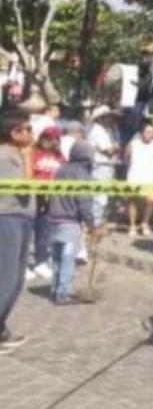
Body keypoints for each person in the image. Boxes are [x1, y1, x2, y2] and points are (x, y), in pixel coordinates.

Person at [47, 140, 101, 304]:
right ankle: (63, 293)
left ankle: (55, 289)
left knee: (56, 258)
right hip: (70, 222)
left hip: (52, 219)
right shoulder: (83, 175)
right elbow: (84, 202)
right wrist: (91, 224)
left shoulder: (60, 170)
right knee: (67, 258)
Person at [0, 110, 35, 355]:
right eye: (27, 129)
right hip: (8, 219)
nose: (31, 134)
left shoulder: (14, 154)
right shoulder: (6, 157)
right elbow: (24, 188)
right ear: (14, 133)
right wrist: (28, 158)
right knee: (6, 280)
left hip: (21, 219)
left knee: (17, 280)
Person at [28, 126, 64, 280]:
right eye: (48, 138)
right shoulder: (32, 153)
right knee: (26, 232)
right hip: (31, 197)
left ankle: (40, 262)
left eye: (54, 138)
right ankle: (21, 264)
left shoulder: (59, 156)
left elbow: (64, 171)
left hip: (50, 198)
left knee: (44, 232)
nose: (51, 141)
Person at [124, 123, 153, 236]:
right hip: (135, 175)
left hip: (152, 176)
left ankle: (145, 222)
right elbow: (126, 157)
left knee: (151, 201)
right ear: (141, 133)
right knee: (133, 201)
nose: (151, 134)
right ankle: (132, 225)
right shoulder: (133, 143)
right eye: (148, 132)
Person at [87, 106, 120, 229]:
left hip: (107, 166)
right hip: (100, 166)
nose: (110, 119)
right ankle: (94, 223)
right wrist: (116, 148)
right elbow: (108, 151)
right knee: (99, 197)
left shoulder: (109, 131)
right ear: (100, 118)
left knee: (102, 196)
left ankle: (97, 220)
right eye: (107, 116)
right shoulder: (98, 130)